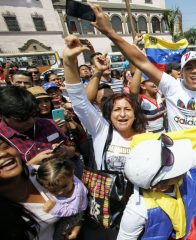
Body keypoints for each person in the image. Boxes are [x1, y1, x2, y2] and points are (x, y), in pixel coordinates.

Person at [62, 34, 146, 238]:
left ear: (136, 114)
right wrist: (69, 61)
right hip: (104, 208)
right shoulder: (101, 131)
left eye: (127, 109)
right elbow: (79, 101)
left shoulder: (146, 138)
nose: (123, 114)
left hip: (136, 206)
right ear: (108, 113)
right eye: (117, 110)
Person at [118, 120, 196, 239]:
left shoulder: (181, 158)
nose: (183, 161)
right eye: (177, 168)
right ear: (158, 187)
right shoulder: (136, 211)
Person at [0, 136, 60, 239]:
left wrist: (75, 222)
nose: (4, 153)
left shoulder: (42, 173)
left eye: (5, 147)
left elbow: (77, 194)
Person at [0, 85, 75, 163]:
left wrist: (65, 150)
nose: (31, 121)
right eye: (22, 119)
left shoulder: (49, 123)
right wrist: (32, 164)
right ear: (2, 116)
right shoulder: (2, 138)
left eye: (34, 114)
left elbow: (72, 149)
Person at [35, 159, 87, 240]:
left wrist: (55, 208)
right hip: (70, 208)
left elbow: (72, 211)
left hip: (74, 213)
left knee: (60, 232)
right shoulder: (66, 178)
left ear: (72, 175)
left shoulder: (77, 193)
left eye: (64, 186)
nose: (60, 192)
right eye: (54, 190)